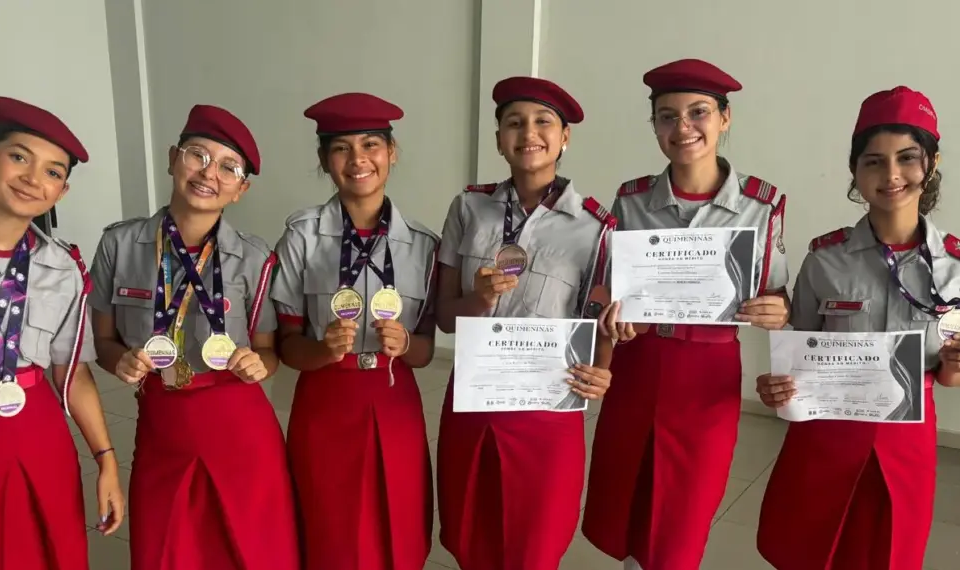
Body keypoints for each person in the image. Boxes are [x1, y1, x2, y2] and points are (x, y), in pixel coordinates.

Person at [581, 59, 792, 570]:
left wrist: (777, 309)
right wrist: (610, 311)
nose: (683, 129)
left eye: (698, 113)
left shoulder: (761, 206)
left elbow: (780, 295)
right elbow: (605, 287)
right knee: (626, 498)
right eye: (667, 117)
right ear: (654, 126)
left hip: (707, 374)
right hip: (639, 363)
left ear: (725, 118)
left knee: (683, 514)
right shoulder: (630, 201)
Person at [755, 86, 960, 570]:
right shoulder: (826, 260)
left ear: (930, 163)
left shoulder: (954, 265)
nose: (891, 175)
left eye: (907, 158)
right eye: (873, 161)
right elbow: (797, 350)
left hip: (905, 442)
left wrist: (955, 367)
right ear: (855, 171)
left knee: (889, 553)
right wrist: (775, 386)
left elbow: (949, 375)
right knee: (808, 548)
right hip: (824, 436)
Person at [88, 104, 299, 570]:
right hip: (163, 423)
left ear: (241, 189)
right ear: (171, 159)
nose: (210, 174)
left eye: (229, 168)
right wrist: (119, 360)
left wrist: (259, 364)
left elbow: (269, 351)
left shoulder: (254, 258)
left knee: (253, 549)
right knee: (166, 549)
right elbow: (104, 343)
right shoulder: (119, 246)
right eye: (197, 155)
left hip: (239, 427)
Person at [0, 96, 125, 570]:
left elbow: (70, 372)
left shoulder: (63, 268)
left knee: (42, 551)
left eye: (54, 172)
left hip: (34, 433)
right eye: (19, 157)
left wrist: (106, 458)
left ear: (62, 192)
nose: (34, 180)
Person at [434, 76, 616, 570]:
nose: (528, 133)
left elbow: (601, 321)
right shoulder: (469, 208)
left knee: (535, 545)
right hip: (474, 403)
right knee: (471, 536)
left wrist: (603, 368)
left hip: (547, 411)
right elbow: (444, 319)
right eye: (514, 123)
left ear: (564, 138)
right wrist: (479, 297)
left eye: (543, 122)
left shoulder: (596, 227)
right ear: (497, 138)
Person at [271, 92, 438, 570]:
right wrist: (321, 351)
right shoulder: (301, 237)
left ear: (391, 153)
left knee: (398, 524)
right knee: (330, 526)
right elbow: (286, 346)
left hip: (393, 399)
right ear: (325, 160)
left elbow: (424, 352)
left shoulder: (424, 246)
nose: (358, 159)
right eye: (341, 148)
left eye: (371, 144)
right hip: (326, 398)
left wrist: (406, 343)